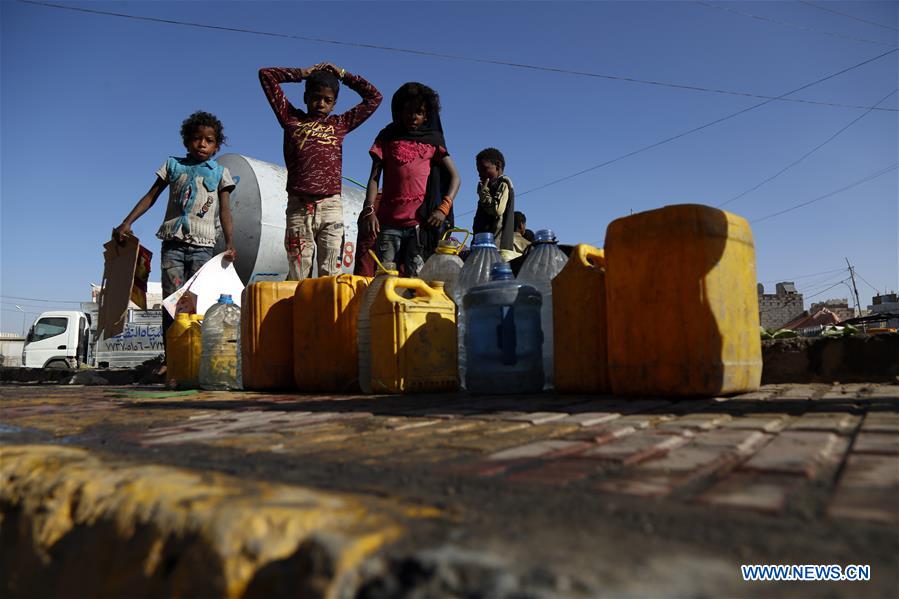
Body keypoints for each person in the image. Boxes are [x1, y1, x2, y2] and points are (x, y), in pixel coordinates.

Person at [113, 110, 237, 359]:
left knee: (197, 301)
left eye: (209, 140)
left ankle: (197, 358)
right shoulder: (173, 165)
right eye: (197, 138)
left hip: (203, 247)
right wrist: (127, 222)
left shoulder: (220, 173)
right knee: (172, 301)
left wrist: (230, 243)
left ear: (216, 146)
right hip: (173, 244)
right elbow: (151, 196)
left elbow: (225, 210)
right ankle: (172, 359)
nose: (202, 144)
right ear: (186, 141)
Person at [259, 62, 382, 280]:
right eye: (316, 97)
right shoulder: (291, 119)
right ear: (305, 97)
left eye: (328, 100)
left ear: (334, 104)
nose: (321, 103)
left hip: (330, 207)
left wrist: (343, 74)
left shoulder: (340, 124)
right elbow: (266, 76)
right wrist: (302, 73)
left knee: (331, 275)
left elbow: (374, 97)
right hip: (299, 207)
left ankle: (328, 314)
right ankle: (299, 313)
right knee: (298, 274)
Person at [360, 82, 461, 277]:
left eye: (419, 112)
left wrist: (443, 208)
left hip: (419, 225)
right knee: (385, 278)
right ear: (399, 111)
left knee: (417, 278)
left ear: (427, 115)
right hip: (388, 224)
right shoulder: (387, 138)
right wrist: (369, 209)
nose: (413, 116)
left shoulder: (433, 141)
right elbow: (374, 178)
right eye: (408, 111)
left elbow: (455, 177)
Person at [471, 148, 515, 252]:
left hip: (495, 248)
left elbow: (497, 210)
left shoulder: (503, 184)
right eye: (478, 171)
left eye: (484, 169)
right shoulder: (489, 187)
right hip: (482, 246)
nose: (480, 174)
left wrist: (483, 194)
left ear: (498, 166)